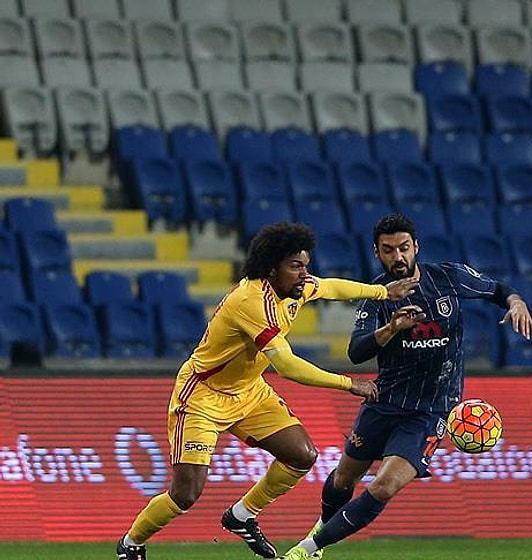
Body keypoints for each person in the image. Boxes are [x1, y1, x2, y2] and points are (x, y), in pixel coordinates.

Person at [116, 222, 418, 560]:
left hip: (250, 391)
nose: (305, 275)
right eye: (295, 266)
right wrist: (348, 383)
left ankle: (242, 515)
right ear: (271, 268)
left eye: (305, 265)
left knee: (302, 456)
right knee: (186, 494)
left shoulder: (294, 288)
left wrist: (383, 292)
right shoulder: (251, 302)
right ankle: (131, 543)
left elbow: (331, 287)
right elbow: (287, 366)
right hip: (204, 396)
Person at [278, 213, 532, 560]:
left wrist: (516, 303)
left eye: (403, 248)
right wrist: (391, 330)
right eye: (388, 250)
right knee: (343, 479)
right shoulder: (377, 296)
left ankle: (307, 549)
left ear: (416, 247)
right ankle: (322, 527)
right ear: (377, 252)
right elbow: (356, 352)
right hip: (384, 401)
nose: (397, 257)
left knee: (383, 486)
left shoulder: (447, 277)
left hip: (430, 410)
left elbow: (500, 291)